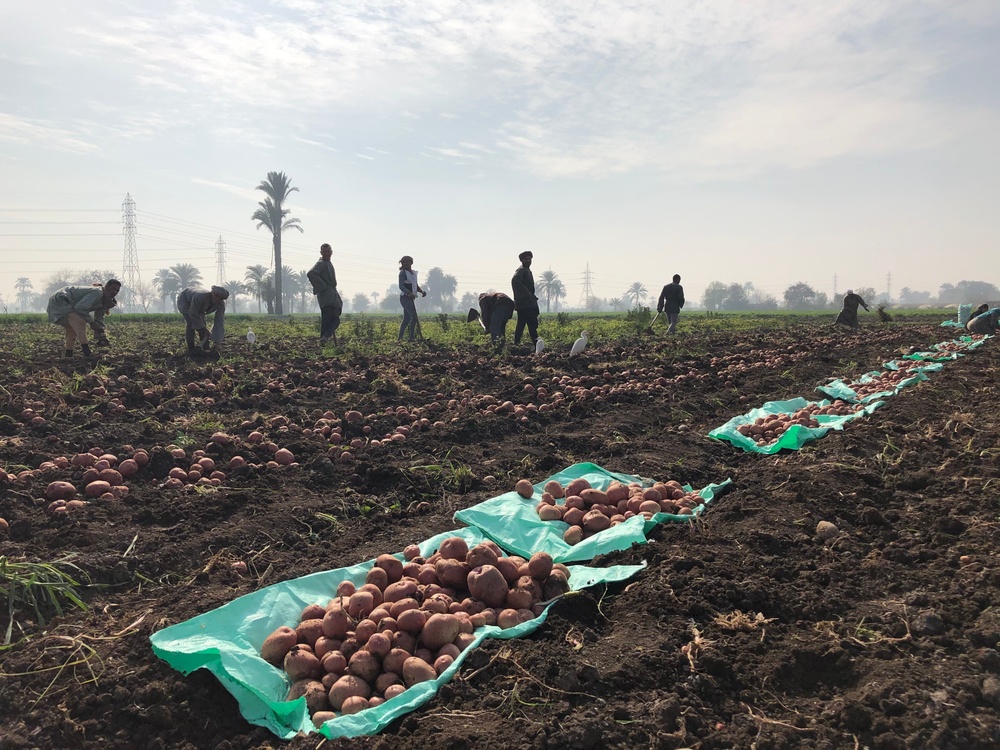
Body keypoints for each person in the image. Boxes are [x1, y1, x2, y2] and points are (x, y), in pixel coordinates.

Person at [47, 279, 121, 358]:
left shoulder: (103, 302)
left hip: (65, 301)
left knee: (72, 329)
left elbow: (99, 319)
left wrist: (101, 333)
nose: (115, 292)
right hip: (61, 299)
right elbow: (80, 308)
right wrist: (91, 322)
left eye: (117, 290)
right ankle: (87, 353)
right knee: (80, 322)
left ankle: (68, 355)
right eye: (113, 288)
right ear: (106, 286)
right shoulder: (98, 293)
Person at [177, 285, 229, 356]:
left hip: (200, 308)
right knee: (191, 323)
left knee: (202, 324)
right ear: (212, 293)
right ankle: (191, 347)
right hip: (185, 300)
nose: (217, 299)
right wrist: (204, 329)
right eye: (216, 296)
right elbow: (193, 314)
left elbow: (219, 320)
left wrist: (218, 341)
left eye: (220, 298)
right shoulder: (200, 297)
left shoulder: (221, 304)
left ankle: (205, 347)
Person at [307, 243, 343, 345]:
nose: (327, 253)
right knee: (329, 320)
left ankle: (324, 339)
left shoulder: (328, 263)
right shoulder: (321, 263)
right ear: (321, 253)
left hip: (331, 296)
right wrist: (321, 286)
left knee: (332, 319)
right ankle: (324, 339)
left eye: (328, 251)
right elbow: (311, 273)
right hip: (326, 297)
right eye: (324, 252)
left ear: (331, 252)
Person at [511, 251, 539, 346]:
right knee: (531, 325)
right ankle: (536, 344)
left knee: (522, 324)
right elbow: (515, 281)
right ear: (521, 260)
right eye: (526, 259)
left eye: (529, 259)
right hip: (525, 304)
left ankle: (517, 344)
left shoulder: (527, 270)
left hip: (526, 304)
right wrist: (528, 294)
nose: (528, 260)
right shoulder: (521, 271)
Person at [397, 256, 426, 341]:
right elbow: (401, 286)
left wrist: (421, 291)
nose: (406, 264)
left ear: (411, 263)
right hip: (404, 298)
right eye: (404, 262)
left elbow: (415, 285)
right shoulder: (402, 273)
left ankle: (400, 338)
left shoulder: (413, 273)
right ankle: (411, 337)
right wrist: (409, 293)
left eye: (407, 262)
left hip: (411, 298)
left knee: (407, 318)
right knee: (414, 317)